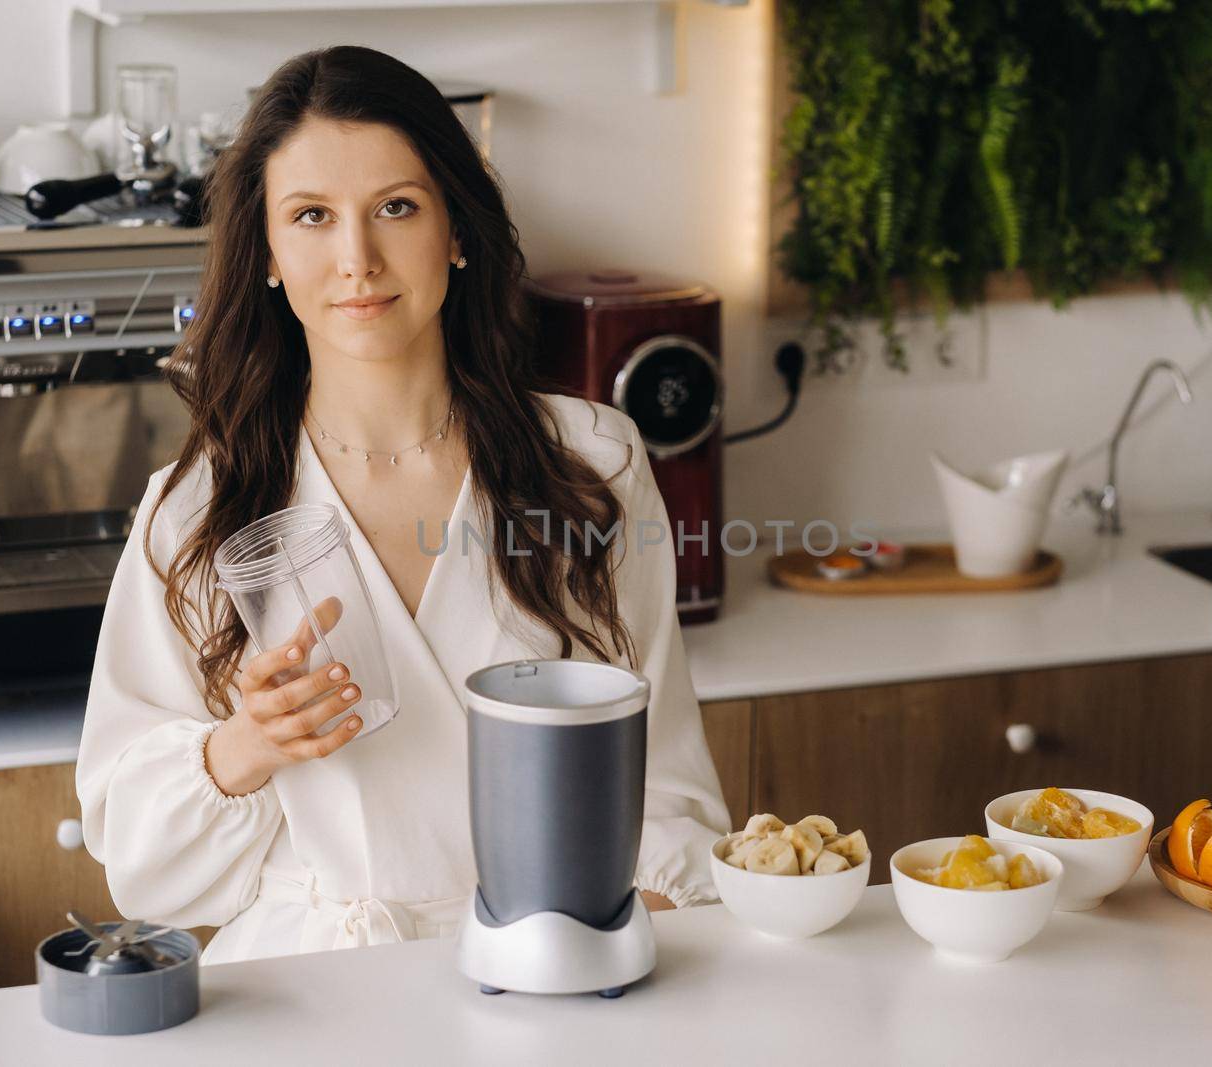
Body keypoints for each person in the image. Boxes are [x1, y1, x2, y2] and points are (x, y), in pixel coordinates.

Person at [75, 45, 731, 964]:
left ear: (456, 231)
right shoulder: (195, 511)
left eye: (396, 207)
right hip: (311, 985)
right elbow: (142, 872)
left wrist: (616, 940)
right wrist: (246, 744)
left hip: (547, 968)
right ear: (266, 253)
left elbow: (666, 784)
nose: (358, 259)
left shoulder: (592, 464)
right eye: (311, 216)